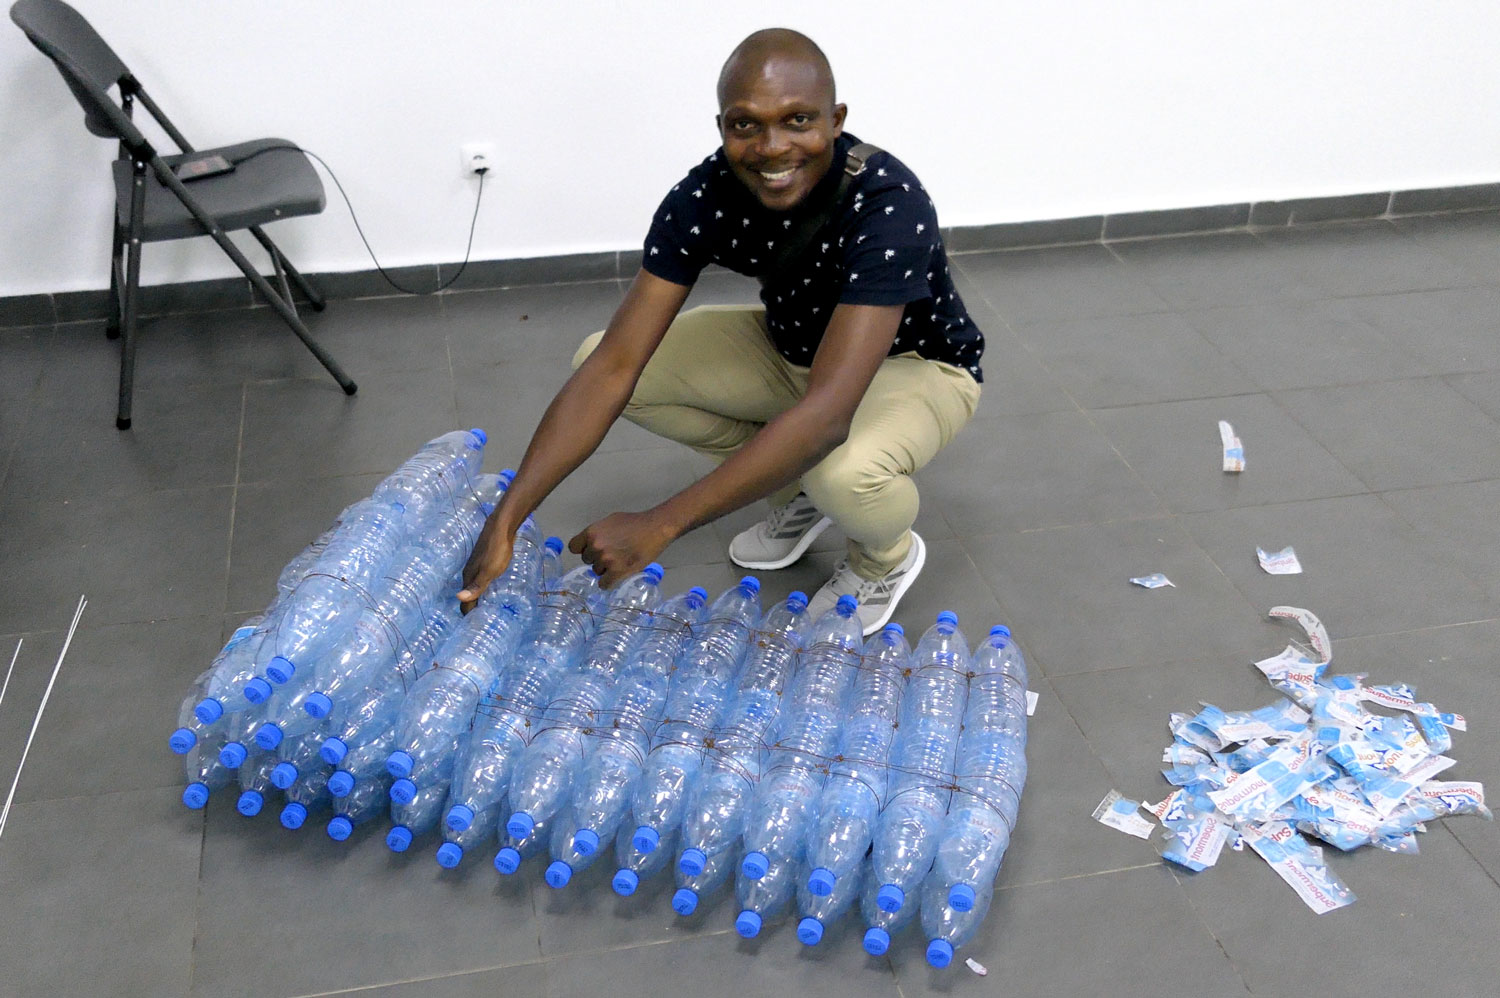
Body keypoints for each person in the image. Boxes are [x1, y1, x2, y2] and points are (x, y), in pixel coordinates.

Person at [458, 27, 983, 635]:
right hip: (793, 348)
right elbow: (615, 366)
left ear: (836, 120)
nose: (773, 147)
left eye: (798, 121)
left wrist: (662, 523)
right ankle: (799, 494)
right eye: (746, 125)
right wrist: (507, 518)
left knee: (841, 468)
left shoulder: (888, 202)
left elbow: (828, 414)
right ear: (723, 128)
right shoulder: (705, 195)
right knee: (595, 357)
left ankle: (884, 556)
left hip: (916, 365)